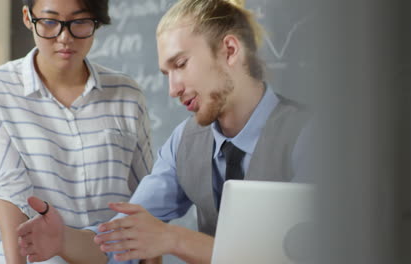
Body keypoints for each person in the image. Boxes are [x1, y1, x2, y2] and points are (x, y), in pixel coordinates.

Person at [17, 0, 312, 263]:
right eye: (166, 74)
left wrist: (175, 239)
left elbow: (308, 254)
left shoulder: (312, 137)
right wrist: (62, 240)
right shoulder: (183, 142)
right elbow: (118, 240)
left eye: (180, 64)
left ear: (230, 51)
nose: (172, 89)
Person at [0, 0, 153, 263]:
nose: (64, 37)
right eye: (49, 22)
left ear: (96, 21)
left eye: (80, 22)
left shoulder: (127, 94)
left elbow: (145, 199)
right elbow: (8, 191)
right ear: (27, 17)